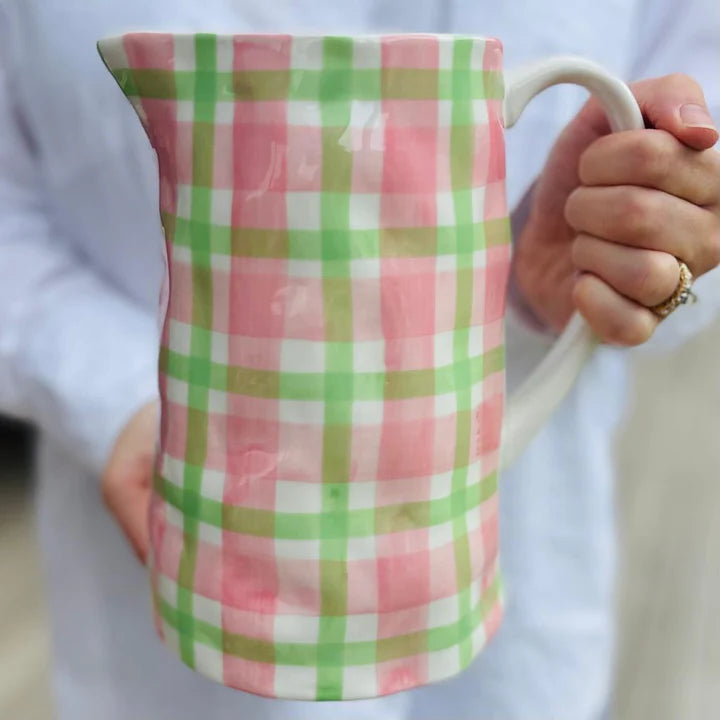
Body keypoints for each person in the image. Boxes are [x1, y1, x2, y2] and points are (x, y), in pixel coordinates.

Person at [0, 1, 718, 718]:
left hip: (517, 635)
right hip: (176, 643)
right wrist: (113, 397)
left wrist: (644, 230)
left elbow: (698, 137)